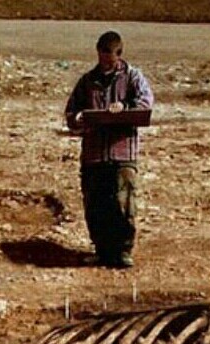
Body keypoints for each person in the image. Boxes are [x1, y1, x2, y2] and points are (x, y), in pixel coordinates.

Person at [64, 31, 154, 269]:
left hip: (122, 153)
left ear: (119, 54)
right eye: (102, 56)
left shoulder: (133, 77)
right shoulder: (87, 80)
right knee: (96, 205)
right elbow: (71, 112)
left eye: (110, 58)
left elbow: (145, 103)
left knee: (124, 204)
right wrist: (79, 118)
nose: (105, 62)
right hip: (94, 155)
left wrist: (124, 107)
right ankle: (102, 251)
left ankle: (123, 251)